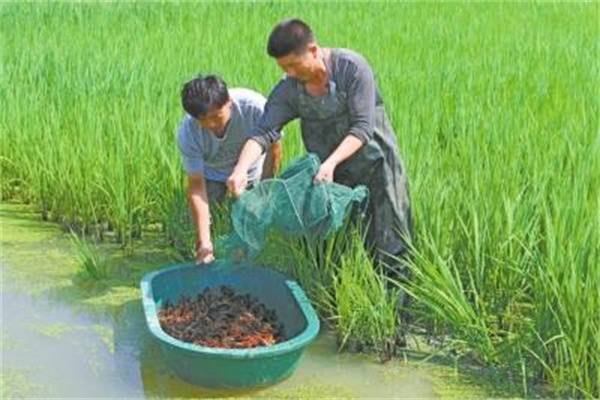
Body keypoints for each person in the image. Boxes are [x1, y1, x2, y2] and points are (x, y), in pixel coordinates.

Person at [226, 19, 414, 324]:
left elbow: (363, 128)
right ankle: (338, 313)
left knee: (389, 241)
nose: (288, 73)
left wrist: (331, 161)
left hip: (378, 168)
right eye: (282, 67)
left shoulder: (352, 69)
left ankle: (396, 320)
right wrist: (240, 168)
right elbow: (263, 132)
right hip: (331, 179)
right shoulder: (290, 90)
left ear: (313, 50)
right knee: (335, 244)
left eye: (292, 65)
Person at [178, 75, 282, 264]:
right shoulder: (189, 132)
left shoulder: (256, 108)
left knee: (251, 223)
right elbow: (196, 186)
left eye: (216, 117)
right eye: (203, 120)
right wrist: (204, 242)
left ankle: (245, 258)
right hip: (212, 172)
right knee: (200, 221)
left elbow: (274, 149)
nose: (211, 125)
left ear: (229, 103)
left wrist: (264, 190)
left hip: (251, 171)